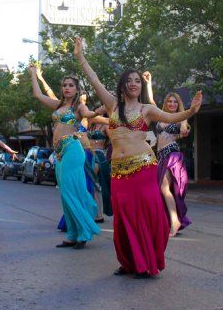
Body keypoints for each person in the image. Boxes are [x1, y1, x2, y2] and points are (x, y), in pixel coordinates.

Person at [75, 38, 203, 278]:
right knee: (123, 218)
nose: (133, 84)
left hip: (143, 167)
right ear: (122, 85)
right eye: (129, 80)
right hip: (118, 171)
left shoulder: (147, 109)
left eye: (137, 80)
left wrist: (192, 110)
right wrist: (81, 57)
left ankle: (146, 261)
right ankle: (129, 261)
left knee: (145, 214)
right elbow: (94, 80)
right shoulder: (112, 105)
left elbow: (173, 118)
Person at [28, 63, 100, 249]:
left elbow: (91, 114)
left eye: (71, 85)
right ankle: (72, 234)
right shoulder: (58, 105)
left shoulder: (79, 107)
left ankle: (83, 232)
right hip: (58, 152)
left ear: (77, 90)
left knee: (71, 191)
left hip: (72, 149)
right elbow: (37, 95)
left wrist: (106, 114)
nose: (67, 88)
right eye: (65, 85)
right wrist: (34, 74)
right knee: (65, 193)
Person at [144, 72, 192, 236]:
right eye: (169, 101)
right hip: (161, 157)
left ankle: (174, 221)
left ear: (178, 105)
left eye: (174, 102)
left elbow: (185, 131)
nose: (172, 104)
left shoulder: (180, 119)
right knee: (162, 189)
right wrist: (149, 83)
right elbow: (151, 102)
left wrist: (185, 120)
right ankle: (169, 220)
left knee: (165, 188)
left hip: (172, 155)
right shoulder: (159, 116)